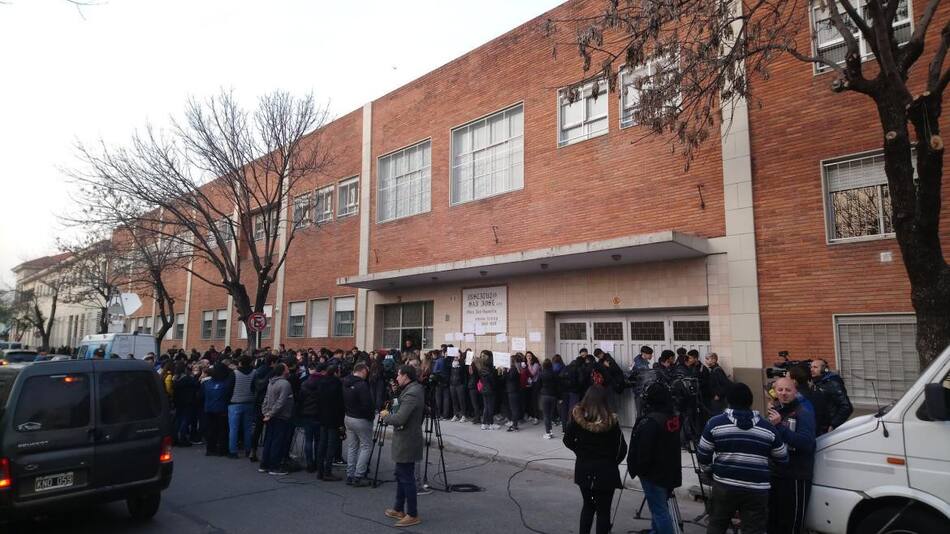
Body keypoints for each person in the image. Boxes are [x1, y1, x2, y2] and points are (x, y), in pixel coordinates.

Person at [697, 383, 788, 534]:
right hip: (757, 488)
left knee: (717, 525)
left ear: (728, 400)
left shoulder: (715, 423)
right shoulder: (768, 428)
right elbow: (782, 458)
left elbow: (703, 455)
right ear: (750, 401)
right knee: (754, 529)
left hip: (724, 484)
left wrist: (710, 471)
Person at [563, 385, 627, 534]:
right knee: (603, 512)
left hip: (584, 469)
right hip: (606, 471)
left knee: (588, 506)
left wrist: (581, 452)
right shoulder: (612, 422)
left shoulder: (577, 419)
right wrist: (612, 461)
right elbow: (621, 448)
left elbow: (567, 440)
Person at [628, 383, 682, 534]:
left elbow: (644, 452)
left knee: (660, 511)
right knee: (658, 508)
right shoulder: (672, 417)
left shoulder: (651, 422)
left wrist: (640, 469)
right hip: (669, 471)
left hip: (654, 475)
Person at [767, 377, 817, 534]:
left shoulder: (804, 412)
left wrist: (780, 426)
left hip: (796, 475)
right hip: (776, 473)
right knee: (773, 521)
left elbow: (806, 443)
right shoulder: (777, 410)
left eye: (788, 390)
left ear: (795, 391)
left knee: (791, 523)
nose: (783, 393)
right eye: (780, 390)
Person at [380, 365, 425, 527]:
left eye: (399, 375)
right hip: (404, 438)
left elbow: (400, 418)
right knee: (400, 474)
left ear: (406, 376)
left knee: (406, 477)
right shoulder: (408, 389)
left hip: (408, 440)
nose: (397, 378)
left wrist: (386, 416)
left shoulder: (413, 393)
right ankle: (398, 508)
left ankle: (412, 514)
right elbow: (399, 405)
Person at [259, 363, 295, 476]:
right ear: (283, 371)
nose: (288, 370)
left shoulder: (271, 382)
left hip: (270, 415)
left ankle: (264, 464)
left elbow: (266, 398)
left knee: (269, 439)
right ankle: (274, 466)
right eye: (287, 368)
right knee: (277, 441)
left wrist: (265, 412)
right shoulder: (285, 384)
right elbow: (281, 402)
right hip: (280, 416)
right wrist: (271, 413)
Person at [342, 362, 374, 486]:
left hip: (348, 417)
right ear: (362, 371)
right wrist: (370, 417)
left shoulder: (345, 382)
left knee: (352, 446)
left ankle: (350, 474)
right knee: (366, 446)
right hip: (361, 419)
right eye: (366, 371)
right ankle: (359, 475)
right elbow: (367, 404)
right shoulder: (362, 385)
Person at [316, 365, 345, 481]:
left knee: (322, 444)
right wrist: (341, 423)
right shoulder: (337, 384)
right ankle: (327, 471)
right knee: (331, 446)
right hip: (334, 419)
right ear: (335, 373)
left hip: (323, 418)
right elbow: (340, 404)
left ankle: (320, 471)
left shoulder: (321, 382)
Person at [811, 359, 853, 432]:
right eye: (811, 367)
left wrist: (833, 424)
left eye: (815, 367)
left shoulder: (833, 383)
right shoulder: (816, 382)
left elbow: (846, 407)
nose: (811, 369)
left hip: (829, 428)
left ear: (825, 369)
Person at [202, 363, 233, 456]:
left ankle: (210, 449)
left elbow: (202, 395)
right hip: (222, 409)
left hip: (209, 409)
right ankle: (222, 450)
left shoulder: (206, 383)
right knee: (222, 430)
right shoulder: (226, 383)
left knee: (211, 430)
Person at [228, 354, 255, 459]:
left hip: (235, 402)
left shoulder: (234, 373)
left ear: (240, 363)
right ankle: (248, 450)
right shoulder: (254, 373)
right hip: (249, 401)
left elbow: (229, 388)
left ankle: (233, 451)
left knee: (233, 428)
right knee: (248, 428)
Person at [298, 362, 322, 473]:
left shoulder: (304, 384)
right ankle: (318, 462)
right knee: (318, 440)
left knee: (308, 440)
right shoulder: (322, 384)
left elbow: (300, 400)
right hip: (318, 414)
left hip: (307, 414)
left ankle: (309, 463)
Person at [172, 362, 199, 447]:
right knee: (185, 420)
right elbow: (196, 384)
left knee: (178, 420)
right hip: (187, 402)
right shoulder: (187, 379)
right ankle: (182, 438)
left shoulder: (175, 379)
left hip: (178, 402)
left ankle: (175, 438)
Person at [538, 358, 560, 439]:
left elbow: (538, 385)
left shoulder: (541, 374)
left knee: (546, 415)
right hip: (553, 395)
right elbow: (558, 386)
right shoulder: (555, 374)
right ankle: (550, 431)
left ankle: (548, 432)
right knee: (550, 414)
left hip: (544, 395)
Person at [478, 351, 500, 430]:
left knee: (486, 407)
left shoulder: (481, 367)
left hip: (484, 389)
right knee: (490, 407)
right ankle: (491, 424)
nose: (482, 357)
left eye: (484, 355)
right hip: (490, 389)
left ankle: (484, 424)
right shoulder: (491, 368)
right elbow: (493, 381)